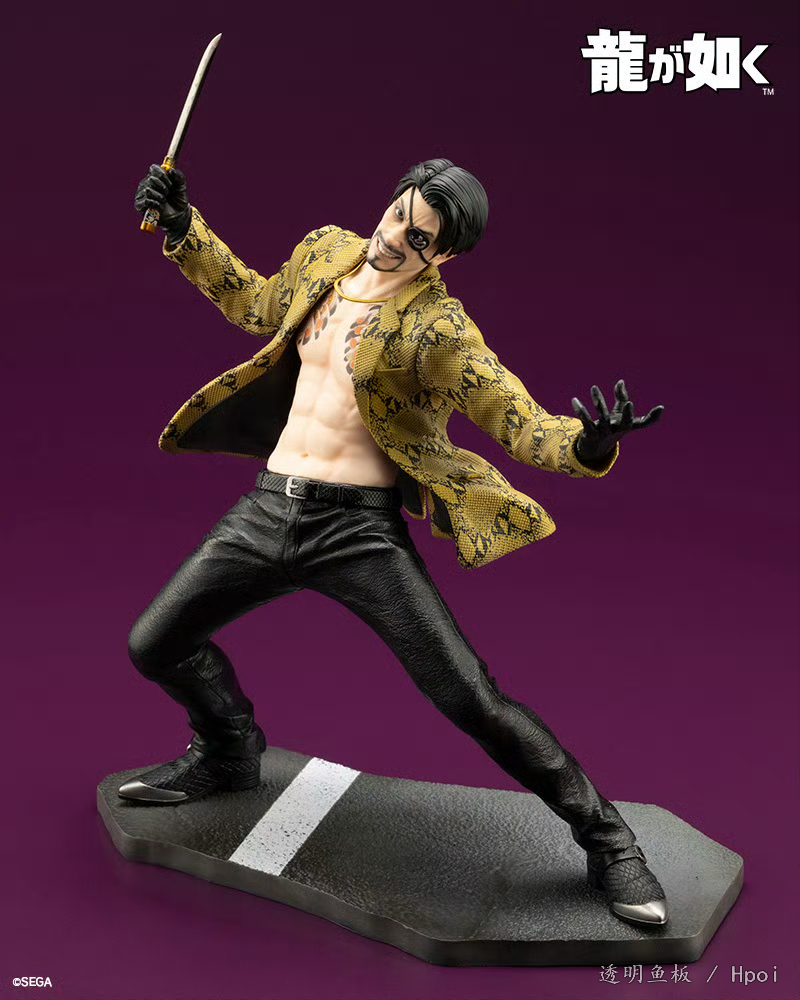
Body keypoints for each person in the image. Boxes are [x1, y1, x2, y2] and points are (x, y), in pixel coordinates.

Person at [124, 158, 667, 926]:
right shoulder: (325, 253)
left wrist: (586, 443)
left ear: (444, 254)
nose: (393, 239)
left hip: (358, 532)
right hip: (269, 509)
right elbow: (252, 301)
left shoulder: (439, 329)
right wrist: (184, 227)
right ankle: (228, 748)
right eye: (396, 215)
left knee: (469, 696)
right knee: (155, 643)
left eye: (419, 238)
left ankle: (610, 841)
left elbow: (518, 419)